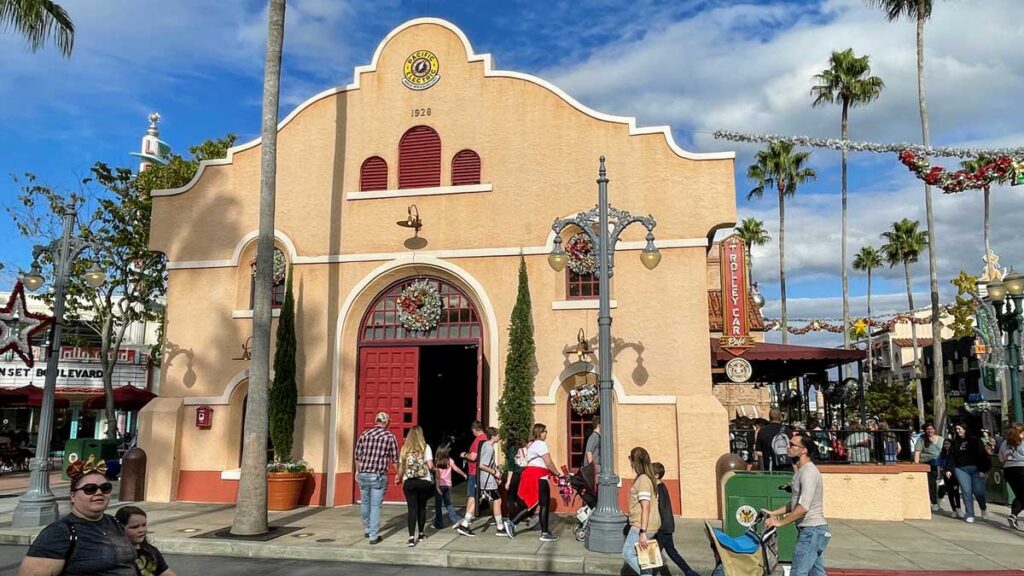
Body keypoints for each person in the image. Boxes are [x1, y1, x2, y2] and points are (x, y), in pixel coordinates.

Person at [18, 455, 137, 575]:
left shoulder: (113, 523)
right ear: (73, 496)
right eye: (90, 489)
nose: (99, 493)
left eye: (105, 488)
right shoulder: (59, 533)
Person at [763, 431, 829, 576]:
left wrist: (780, 523)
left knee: (798, 573)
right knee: (816, 573)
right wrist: (774, 513)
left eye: (792, 445)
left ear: (803, 450)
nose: (788, 446)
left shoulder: (809, 473)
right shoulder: (801, 471)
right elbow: (795, 504)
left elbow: (803, 508)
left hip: (812, 531)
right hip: (811, 531)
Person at [506, 423, 564, 542]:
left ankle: (512, 523)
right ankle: (544, 533)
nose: (546, 433)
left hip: (530, 476)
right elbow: (549, 463)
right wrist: (559, 474)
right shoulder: (541, 444)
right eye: (544, 431)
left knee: (531, 504)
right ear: (539, 433)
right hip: (539, 477)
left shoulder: (530, 444)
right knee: (544, 505)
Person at [354, 411, 399, 544]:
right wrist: (399, 473)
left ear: (376, 421)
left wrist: (358, 471)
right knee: (375, 505)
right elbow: (394, 459)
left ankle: (367, 529)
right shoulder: (389, 437)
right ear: (386, 422)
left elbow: (357, 455)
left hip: (364, 473)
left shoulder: (365, 434)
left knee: (365, 502)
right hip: (378, 475)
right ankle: (374, 535)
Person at [651, 462, 699, 576]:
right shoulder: (660, 487)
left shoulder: (660, 489)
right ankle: (690, 572)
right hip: (667, 526)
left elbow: (662, 508)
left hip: (663, 526)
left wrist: (657, 524)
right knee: (671, 552)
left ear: (656, 475)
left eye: (650, 473)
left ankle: (648, 574)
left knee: (654, 554)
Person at [622, 447, 661, 576]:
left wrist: (642, 532)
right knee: (645, 560)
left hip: (640, 525)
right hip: (645, 523)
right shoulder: (646, 478)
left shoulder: (643, 480)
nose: (630, 462)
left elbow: (646, 506)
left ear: (635, 462)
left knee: (628, 553)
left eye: (630, 459)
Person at [397, 425, 434, 546]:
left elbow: (401, 467)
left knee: (412, 509)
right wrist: (436, 471)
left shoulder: (405, 448)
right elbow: (430, 466)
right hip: (424, 481)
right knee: (422, 507)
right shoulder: (425, 447)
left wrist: (398, 477)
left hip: (409, 481)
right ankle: (422, 533)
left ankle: (411, 537)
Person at [946, 422, 991, 523]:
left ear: (965, 429)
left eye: (959, 429)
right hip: (961, 469)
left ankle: (983, 508)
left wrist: (983, 470)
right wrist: (949, 469)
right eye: (956, 429)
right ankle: (969, 514)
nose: (957, 431)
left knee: (978, 491)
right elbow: (951, 457)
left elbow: (983, 455)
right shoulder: (954, 443)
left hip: (976, 468)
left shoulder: (975, 440)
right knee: (966, 491)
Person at [114, 506, 176, 576]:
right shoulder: (115, 555)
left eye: (144, 525)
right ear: (120, 528)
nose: (141, 530)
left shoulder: (151, 551)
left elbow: (166, 572)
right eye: (135, 527)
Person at [456, 421, 488, 536]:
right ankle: (466, 520)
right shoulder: (485, 439)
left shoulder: (478, 440)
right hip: (477, 472)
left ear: (474, 430)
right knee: (472, 496)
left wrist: (464, 455)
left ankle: (465, 524)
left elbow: (473, 457)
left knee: (474, 496)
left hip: (475, 472)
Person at [479, 427, 506, 536]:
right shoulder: (489, 448)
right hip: (488, 480)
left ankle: (465, 522)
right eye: (498, 435)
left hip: (488, 479)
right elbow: (482, 465)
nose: (499, 437)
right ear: (493, 436)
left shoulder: (486, 445)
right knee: (497, 500)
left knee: (493, 500)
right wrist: (495, 473)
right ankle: (500, 527)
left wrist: (496, 472)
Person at [433, 444, 467, 529]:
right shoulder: (450, 461)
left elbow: (437, 477)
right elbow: (456, 469)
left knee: (438, 505)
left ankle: (439, 523)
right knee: (448, 503)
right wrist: (463, 474)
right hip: (448, 486)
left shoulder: (437, 462)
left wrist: (437, 487)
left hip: (440, 486)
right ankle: (455, 519)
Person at [913, 422, 943, 513]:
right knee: (932, 483)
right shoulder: (922, 439)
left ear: (934, 429)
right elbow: (917, 452)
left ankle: (939, 500)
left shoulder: (941, 439)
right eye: (928, 429)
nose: (930, 431)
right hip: (928, 462)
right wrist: (916, 464)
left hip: (940, 463)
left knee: (943, 485)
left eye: (931, 429)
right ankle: (934, 503)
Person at [999, 422, 1024, 530]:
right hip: (1022, 469)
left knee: (1020, 495)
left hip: (1009, 470)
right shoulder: (1022, 442)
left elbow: (1000, 458)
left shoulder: (1005, 443)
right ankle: (1013, 515)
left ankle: (1013, 516)